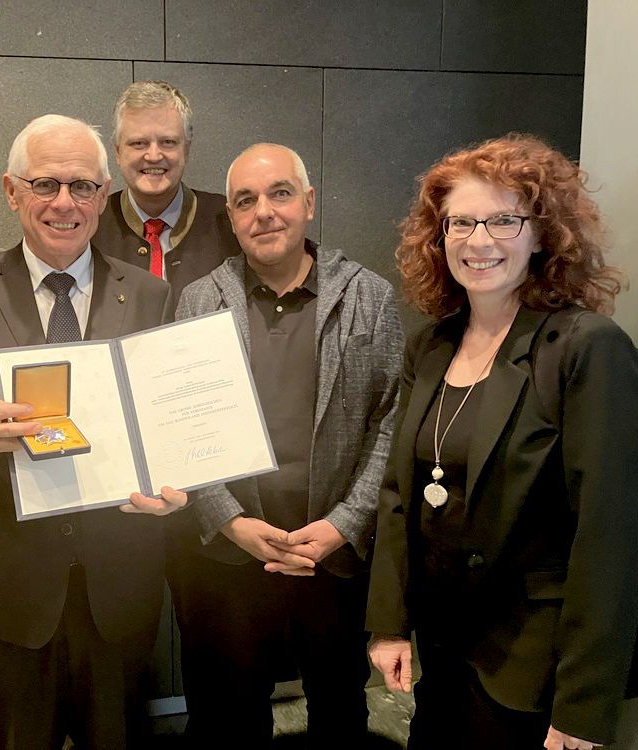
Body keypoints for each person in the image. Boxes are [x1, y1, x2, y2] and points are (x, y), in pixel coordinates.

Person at [0, 114, 187, 749]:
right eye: (46, 185)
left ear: (103, 194)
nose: (65, 203)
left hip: (119, 580)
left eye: (83, 186)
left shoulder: (148, 294)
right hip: (13, 584)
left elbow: (163, 419)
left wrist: (175, 478)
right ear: (11, 191)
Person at [367, 134, 638, 750]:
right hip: (444, 651)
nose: (479, 240)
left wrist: (585, 704)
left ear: (543, 235)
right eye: (460, 222)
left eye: (503, 220)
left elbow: (612, 535)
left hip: (535, 668)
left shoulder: (585, 348)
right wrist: (388, 625)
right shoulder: (431, 347)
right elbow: (397, 498)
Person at [171, 143, 404, 747]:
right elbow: (180, 428)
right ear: (231, 216)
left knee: (337, 712)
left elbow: (390, 424)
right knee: (230, 715)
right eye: (245, 200)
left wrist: (343, 523)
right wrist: (230, 520)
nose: (263, 212)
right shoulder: (199, 300)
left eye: (279, 193)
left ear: (309, 202)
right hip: (231, 555)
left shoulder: (368, 298)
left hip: (331, 555)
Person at [92, 80, 241, 291]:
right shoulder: (91, 225)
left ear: (186, 150)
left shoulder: (231, 223)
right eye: (138, 143)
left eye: (168, 142)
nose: (153, 156)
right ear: (117, 152)